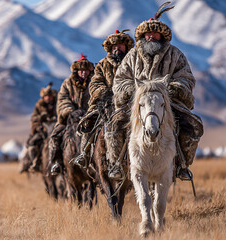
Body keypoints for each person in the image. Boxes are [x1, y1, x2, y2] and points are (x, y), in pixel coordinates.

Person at [110, 2, 204, 180]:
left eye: (154, 33)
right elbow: (120, 80)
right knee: (114, 126)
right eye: (148, 34)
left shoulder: (175, 55)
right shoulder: (132, 56)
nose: (151, 36)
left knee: (192, 125)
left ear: (162, 36)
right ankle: (117, 165)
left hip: (167, 103)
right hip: (137, 104)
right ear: (143, 36)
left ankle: (182, 165)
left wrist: (173, 89)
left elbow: (187, 78)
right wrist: (133, 91)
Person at [73, 29, 135, 169]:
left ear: (126, 47)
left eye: (120, 45)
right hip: (106, 104)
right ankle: (85, 154)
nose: (117, 48)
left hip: (132, 103)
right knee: (88, 124)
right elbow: (95, 83)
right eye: (114, 46)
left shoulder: (135, 62)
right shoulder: (102, 65)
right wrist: (106, 94)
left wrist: (130, 93)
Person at [48, 54, 95, 175]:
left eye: (86, 70)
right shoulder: (67, 84)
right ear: (77, 71)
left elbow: (98, 98)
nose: (84, 73)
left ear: (90, 71)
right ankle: (57, 162)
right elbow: (62, 99)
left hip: (90, 119)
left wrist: (90, 112)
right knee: (55, 136)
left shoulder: (95, 83)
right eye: (81, 70)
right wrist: (72, 112)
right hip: (70, 119)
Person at [26, 82, 57, 172]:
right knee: (31, 144)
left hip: (55, 130)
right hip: (42, 130)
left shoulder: (57, 104)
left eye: (50, 96)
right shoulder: (39, 105)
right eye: (46, 96)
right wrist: (40, 122)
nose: (48, 98)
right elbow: (33, 119)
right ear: (43, 97)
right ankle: (35, 162)